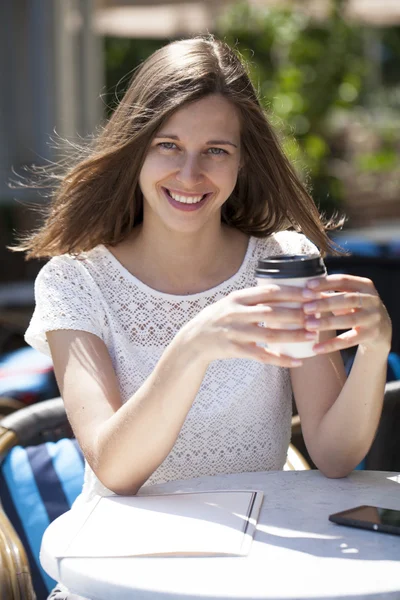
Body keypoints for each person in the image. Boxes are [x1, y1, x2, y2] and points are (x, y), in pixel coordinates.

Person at [15, 36, 391, 600]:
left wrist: (374, 350)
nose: (190, 174)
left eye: (216, 150)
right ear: (136, 150)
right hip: (125, 570)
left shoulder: (283, 263)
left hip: (267, 560)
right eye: (168, 145)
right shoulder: (76, 280)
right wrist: (193, 347)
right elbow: (117, 470)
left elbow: (336, 457)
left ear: (242, 160)